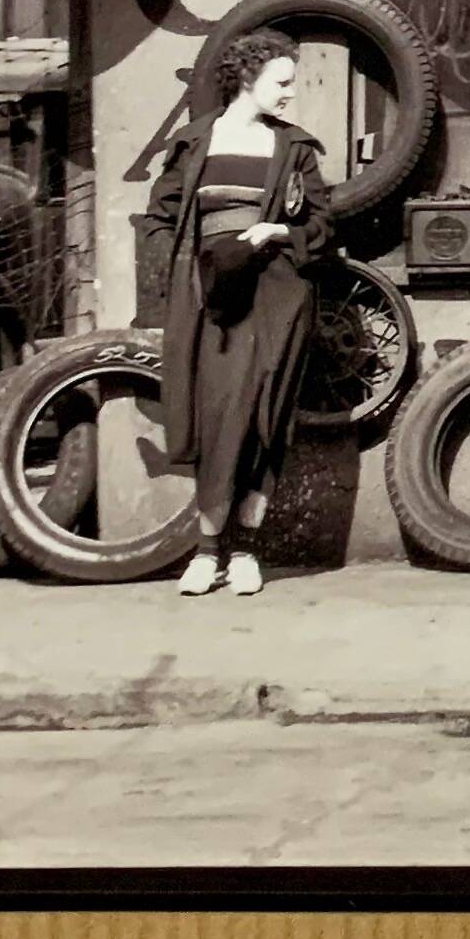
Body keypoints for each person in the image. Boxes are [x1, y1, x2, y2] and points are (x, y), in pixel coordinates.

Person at [139, 29, 333, 596]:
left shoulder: (294, 148)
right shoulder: (195, 142)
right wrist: (183, 273)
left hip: (276, 297)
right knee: (218, 415)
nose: (290, 94)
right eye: (282, 82)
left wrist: (279, 230)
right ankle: (206, 553)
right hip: (213, 300)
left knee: (263, 417)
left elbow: (322, 225)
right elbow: (160, 216)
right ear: (248, 78)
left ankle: (245, 551)